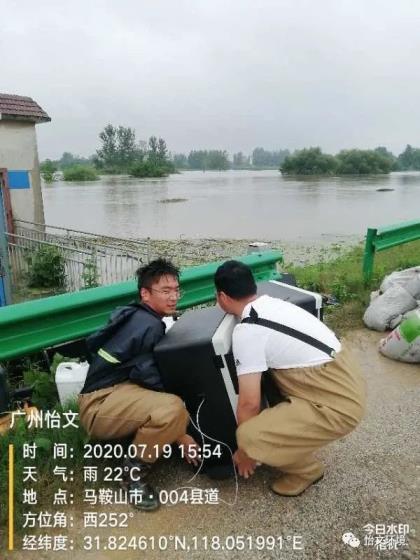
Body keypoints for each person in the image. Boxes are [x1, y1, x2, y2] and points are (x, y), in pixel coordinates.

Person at [214, 260, 366, 497]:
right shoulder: (274, 304)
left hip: (337, 404)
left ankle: (307, 471)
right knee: (274, 389)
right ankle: (296, 439)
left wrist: (247, 451)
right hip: (346, 379)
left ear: (222, 296)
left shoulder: (248, 330)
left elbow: (249, 404)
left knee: (248, 436)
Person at [78, 258, 198, 511]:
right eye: (165, 291)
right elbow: (152, 379)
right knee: (173, 408)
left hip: (114, 393)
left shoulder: (137, 315)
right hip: (99, 405)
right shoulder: (148, 325)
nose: (173, 297)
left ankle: (135, 445)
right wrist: (182, 433)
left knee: (170, 406)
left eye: (177, 290)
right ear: (145, 293)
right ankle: (131, 476)